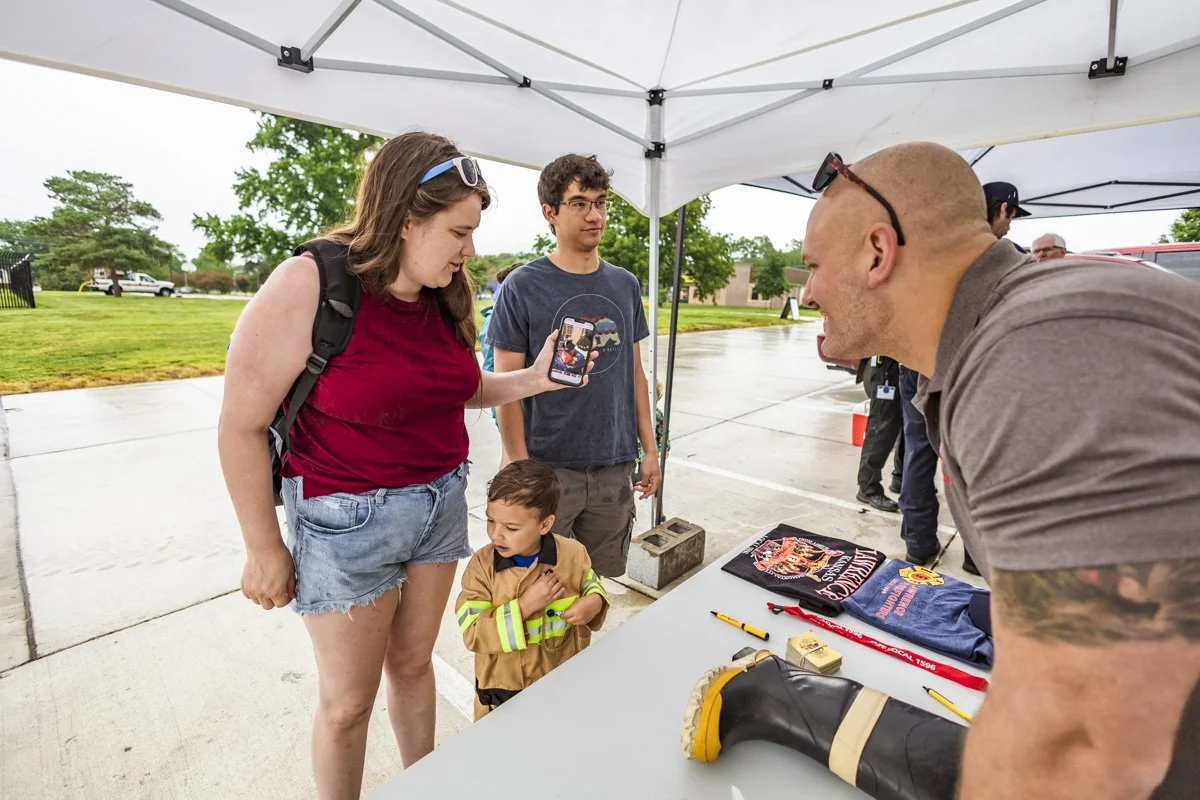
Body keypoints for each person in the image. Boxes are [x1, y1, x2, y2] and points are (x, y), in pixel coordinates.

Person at [801, 144, 1200, 798]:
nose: (807, 291)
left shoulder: (1036, 353)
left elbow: (1072, 748)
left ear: (877, 252)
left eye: (814, 266)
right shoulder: (1009, 333)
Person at [218, 132, 592, 800]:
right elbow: (240, 426)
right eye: (459, 232)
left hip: (439, 506)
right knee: (347, 705)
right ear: (404, 220)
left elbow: (457, 388)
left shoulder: (444, 292)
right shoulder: (310, 282)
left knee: (415, 665)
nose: (469, 250)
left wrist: (535, 379)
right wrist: (263, 546)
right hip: (345, 523)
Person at [488, 154, 661, 578]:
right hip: (548, 468)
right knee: (538, 587)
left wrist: (650, 449)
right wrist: (521, 469)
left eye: (600, 203)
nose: (595, 215)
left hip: (613, 466)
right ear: (550, 212)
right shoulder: (522, 286)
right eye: (579, 203)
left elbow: (634, 374)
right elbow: (507, 388)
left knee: (595, 585)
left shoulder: (624, 284)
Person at [455, 459, 608, 719]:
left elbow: (591, 583)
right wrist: (524, 606)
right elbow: (473, 633)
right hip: (502, 697)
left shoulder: (572, 554)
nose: (496, 534)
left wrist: (594, 601)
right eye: (491, 521)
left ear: (545, 525)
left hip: (561, 685)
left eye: (511, 528)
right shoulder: (481, 568)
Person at [896, 364, 944, 567]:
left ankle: (918, 543)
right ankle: (974, 553)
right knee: (968, 452)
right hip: (957, 364)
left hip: (913, 366)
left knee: (917, 453)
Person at [856, 355, 904, 513]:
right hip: (886, 367)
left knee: (906, 424)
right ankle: (868, 487)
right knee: (882, 426)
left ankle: (901, 477)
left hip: (903, 366)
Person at [479, 262, 523, 422]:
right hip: (509, 409)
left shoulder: (519, 317)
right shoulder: (494, 321)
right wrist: (501, 418)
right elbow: (492, 370)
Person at [982, 181, 1031, 251]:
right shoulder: (1010, 252)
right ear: (1003, 209)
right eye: (1011, 218)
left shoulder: (966, 244)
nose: (1009, 228)